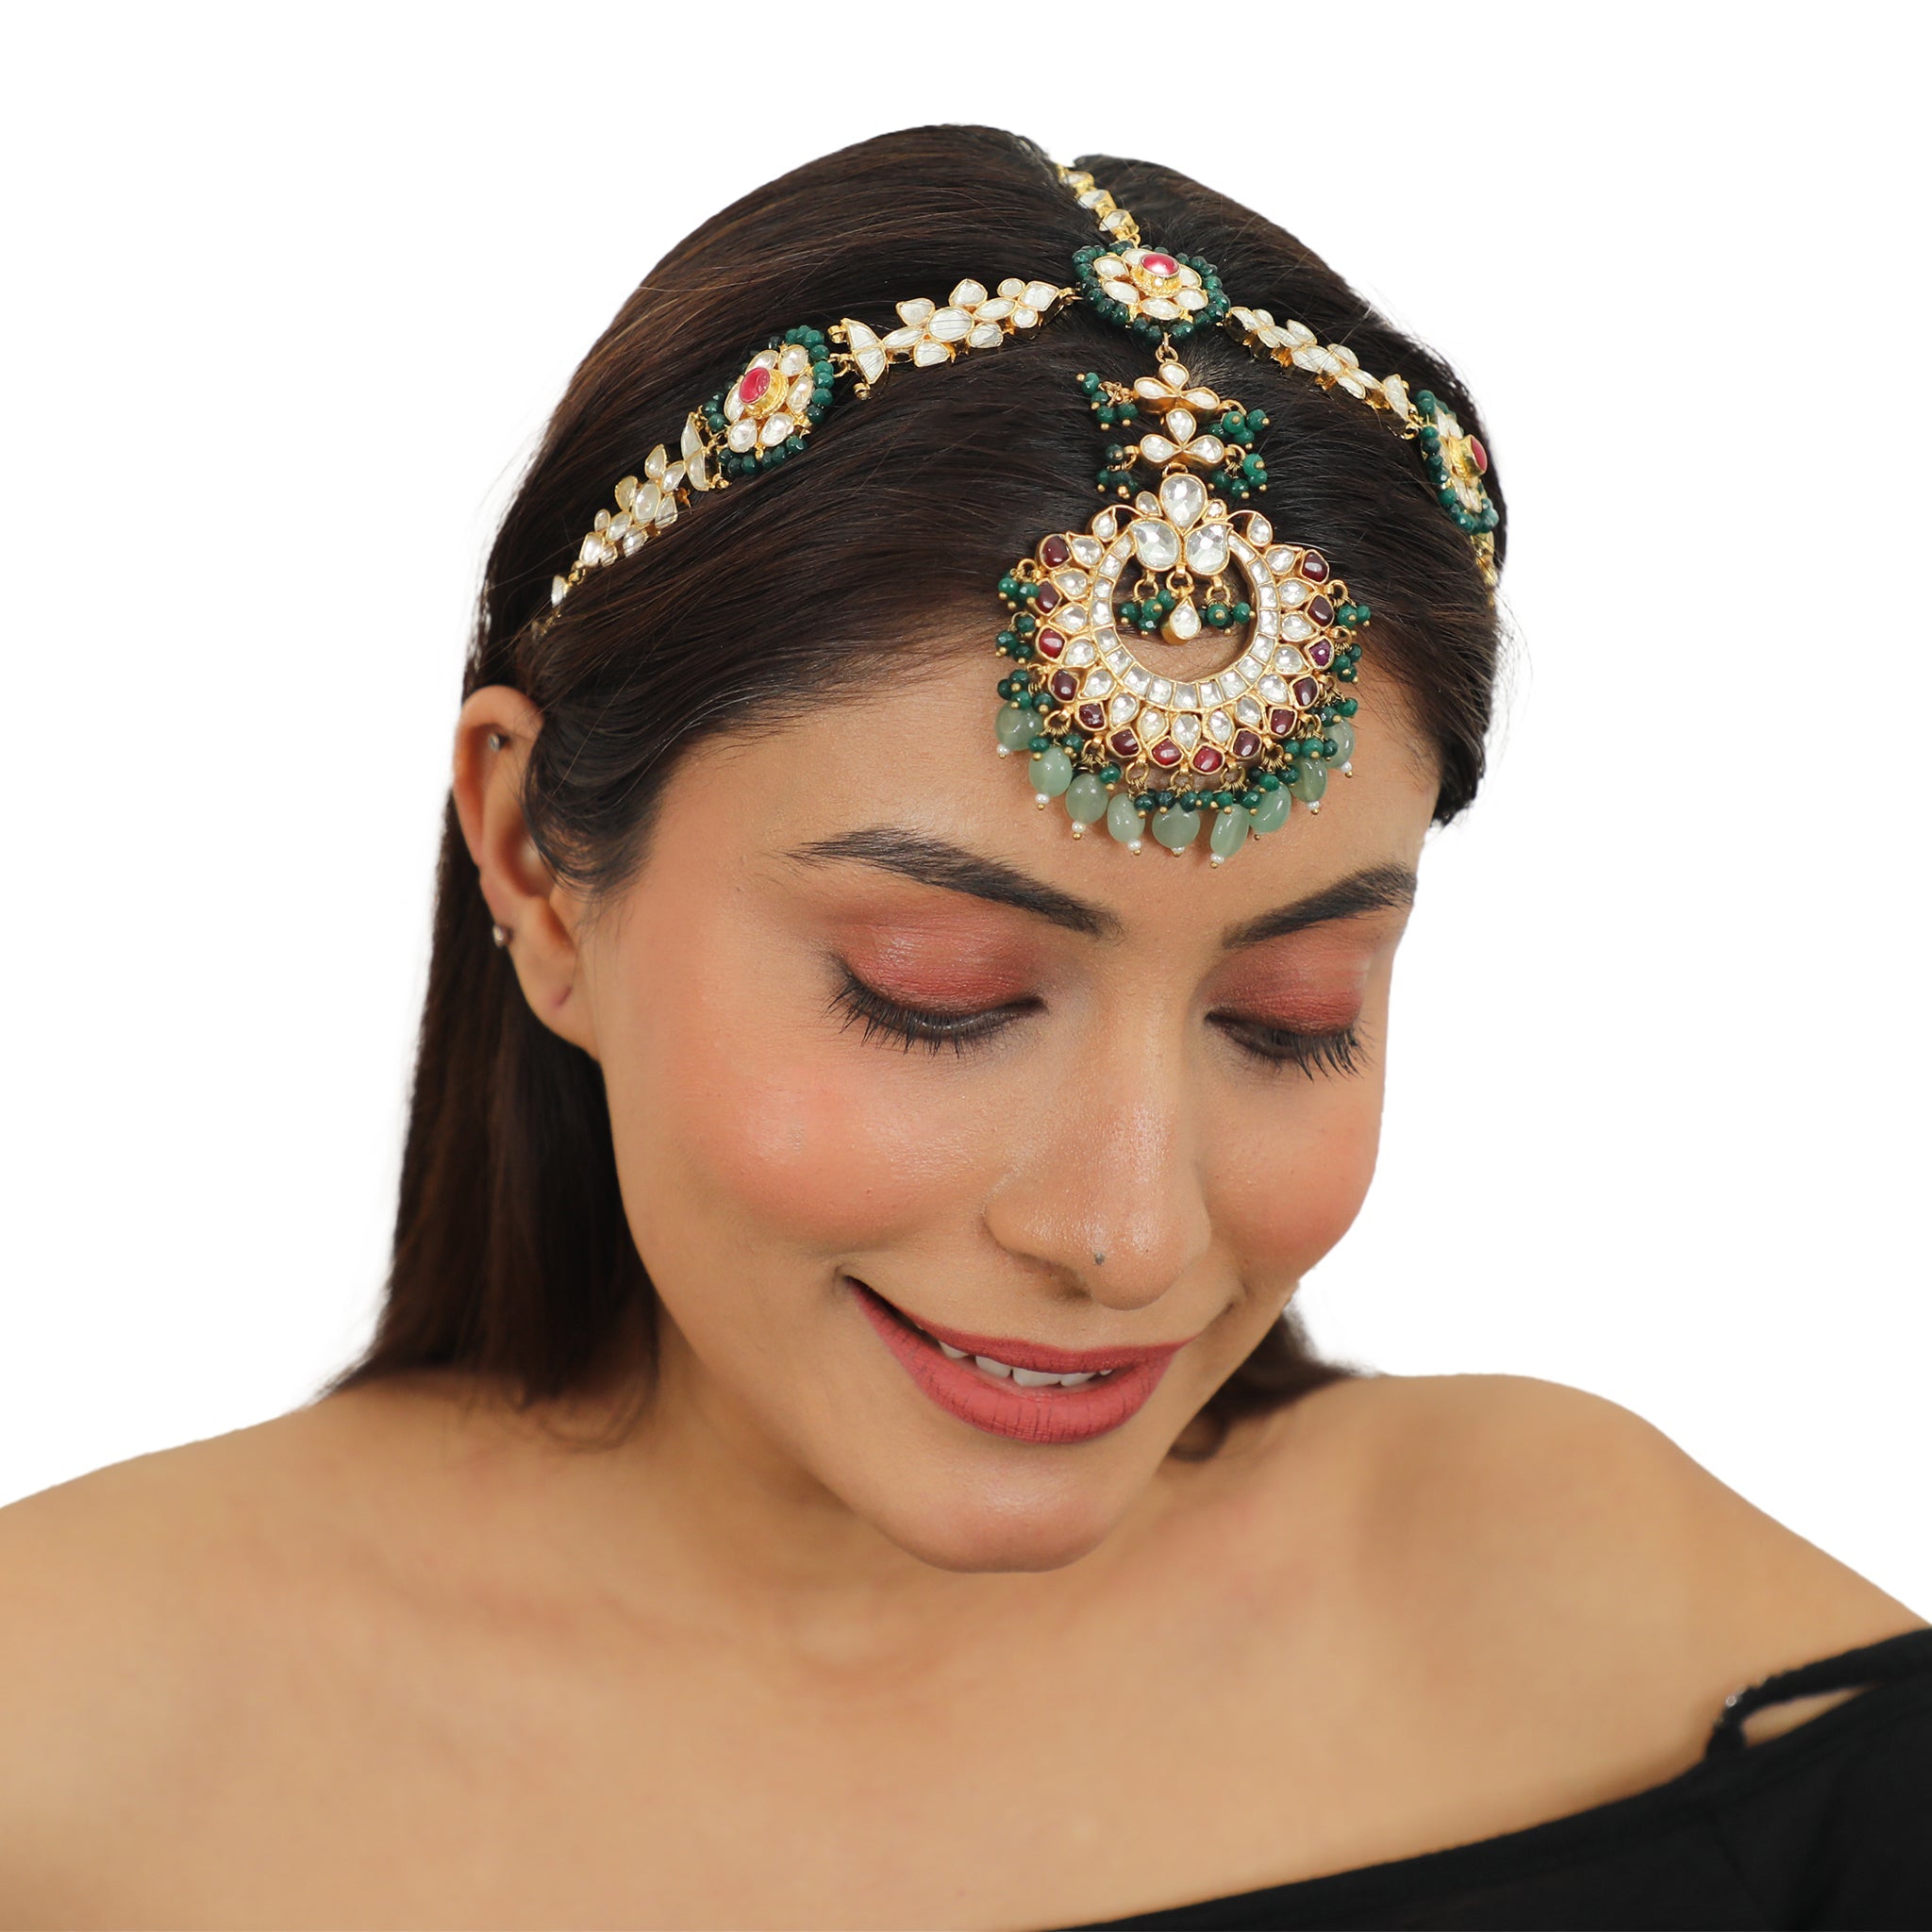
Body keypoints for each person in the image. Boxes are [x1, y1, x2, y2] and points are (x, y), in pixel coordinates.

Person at [0, 125, 1924, 1931]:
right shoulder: (63, 1745)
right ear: (539, 866)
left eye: (1289, 1019)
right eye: (940, 997)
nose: (1126, 1231)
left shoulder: (1609, 1637)